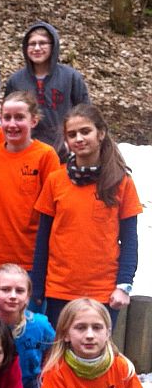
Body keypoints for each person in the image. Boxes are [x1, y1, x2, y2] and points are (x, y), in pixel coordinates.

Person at [32, 104, 141, 327]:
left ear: (100, 133)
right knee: (61, 346)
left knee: (95, 347)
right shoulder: (55, 180)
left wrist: (124, 285)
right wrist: (38, 286)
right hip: (60, 289)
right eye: (72, 134)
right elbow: (43, 238)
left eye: (85, 131)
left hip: (103, 291)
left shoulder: (121, 182)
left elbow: (130, 240)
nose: (79, 139)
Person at [0, 91, 59, 283]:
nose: (12, 124)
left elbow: (54, 211)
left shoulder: (46, 156)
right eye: (7, 118)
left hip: (34, 260)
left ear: (33, 120)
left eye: (19, 117)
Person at [5, 21, 90, 158]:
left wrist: (73, 139)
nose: (37, 48)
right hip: (27, 149)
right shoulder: (16, 81)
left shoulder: (70, 77)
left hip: (64, 149)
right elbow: (8, 116)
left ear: (53, 46)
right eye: (32, 44)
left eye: (42, 43)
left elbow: (86, 112)